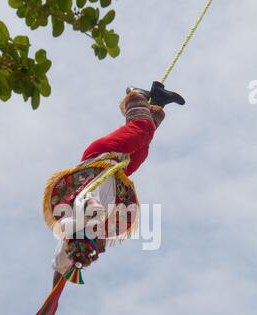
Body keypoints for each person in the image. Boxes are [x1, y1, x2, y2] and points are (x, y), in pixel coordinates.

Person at [42, 82, 185, 287]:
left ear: (85, 237)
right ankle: (157, 101)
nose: (103, 249)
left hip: (102, 155)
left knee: (141, 131)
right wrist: (52, 297)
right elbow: (59, 266)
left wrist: (93, 224)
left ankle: (134, 95)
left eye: (97, 247)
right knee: (142, 149)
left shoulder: (76, 221)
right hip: (118, 168)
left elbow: (88, 207)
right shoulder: (90, 234)